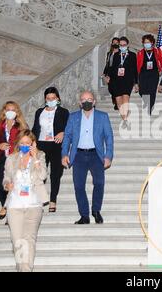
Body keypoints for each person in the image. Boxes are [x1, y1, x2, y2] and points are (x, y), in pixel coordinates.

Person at [61, 91, 114, 225]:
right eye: (84, 99)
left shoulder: (103, 116)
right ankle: (84, 215)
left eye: (89, 99)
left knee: (99, 183)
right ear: (80, 103)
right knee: (79, 186)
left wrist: (108, 156)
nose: (86, 102)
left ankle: (96, 211)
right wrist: (64, 154)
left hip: (96, 155)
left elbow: (109, 137)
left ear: (94, 101)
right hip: (78, 155)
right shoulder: (73, 117)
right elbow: (67, 136)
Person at [3, 130, 49, 272]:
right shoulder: (11, 158)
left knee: (29, 240)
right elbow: (6, 178)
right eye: (22, 143)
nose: (24, 145)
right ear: (18, 143)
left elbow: (42, 176)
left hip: (33, 205)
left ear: (33, 143)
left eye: (27, 143)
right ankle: (21, 268)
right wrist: (7, 184)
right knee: (17, 241)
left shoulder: (40, 156)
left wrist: (35, 157)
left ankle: (26, 270)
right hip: (14, 206)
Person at [31, 87, 70, 213]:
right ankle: (39, 198)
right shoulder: (39, 112)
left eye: (53, 98)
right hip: (41, 145)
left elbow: (69, 128)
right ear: (45, 99)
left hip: (56, 145)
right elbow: (35, 129)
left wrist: (63, 133)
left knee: (55, 173)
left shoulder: (63, 112)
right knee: (39, 172)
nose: (51, 100)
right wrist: (32, 143)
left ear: (58, 99)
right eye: (48, 98)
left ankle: (53, 200)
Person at [0, 101, 28, 220]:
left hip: (16, 159)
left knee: (14, 186)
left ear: (17, 112)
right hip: (0, 159)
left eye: (13, 110)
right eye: (8, 109)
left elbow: (26, 142)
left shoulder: (22, 126)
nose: (11, 112)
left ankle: (10, 212)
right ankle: (4, 205)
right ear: (4, 111)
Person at [109, 36, 138, 128]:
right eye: (120, 45)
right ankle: (124, 115)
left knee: (125, 99)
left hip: (127, 81)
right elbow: (112, 68)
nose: (122, 46)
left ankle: (125, 120)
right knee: (119, 102)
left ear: (127, 45)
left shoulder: (133, 55)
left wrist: (136, 83)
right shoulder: (115, 55)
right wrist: (108, 77)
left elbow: (135, 70)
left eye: (124, 45)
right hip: (116, 81)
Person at [137, 34, 162, 115]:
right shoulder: (140, 53)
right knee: (142, 91)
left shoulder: (157, 51)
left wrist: (161, 69)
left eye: (148, 42)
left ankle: (149, 107)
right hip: (143, 74)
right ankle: (147, 102)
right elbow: (137, 64)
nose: (146, 44)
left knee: (152, 91)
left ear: (152, 42)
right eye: (145, 42)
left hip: (154, 74)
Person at [103, 37, 120, 110]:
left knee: (117, 88)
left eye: (116, 42)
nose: (115, 44)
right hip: (110, 73)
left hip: (118, 73)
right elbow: (107, 64)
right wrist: (104, 73)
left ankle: (117, 103)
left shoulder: (121, 53)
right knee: (111, 89)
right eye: (113, 42)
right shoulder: (109, 53)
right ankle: (114, 100)